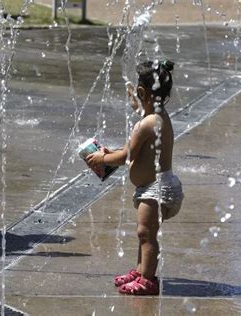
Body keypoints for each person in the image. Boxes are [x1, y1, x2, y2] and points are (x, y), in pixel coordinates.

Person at [87, 60, 184, 295]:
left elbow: (125, 156)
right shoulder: (157, 115)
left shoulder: (147, 124)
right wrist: (135, 101)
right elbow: (143, 114)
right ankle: (141, 270)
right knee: (144, 232)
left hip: (156, 190)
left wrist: (102, 159)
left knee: (146, 234)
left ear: (143, 92)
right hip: (154, 188)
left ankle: (148, 280)